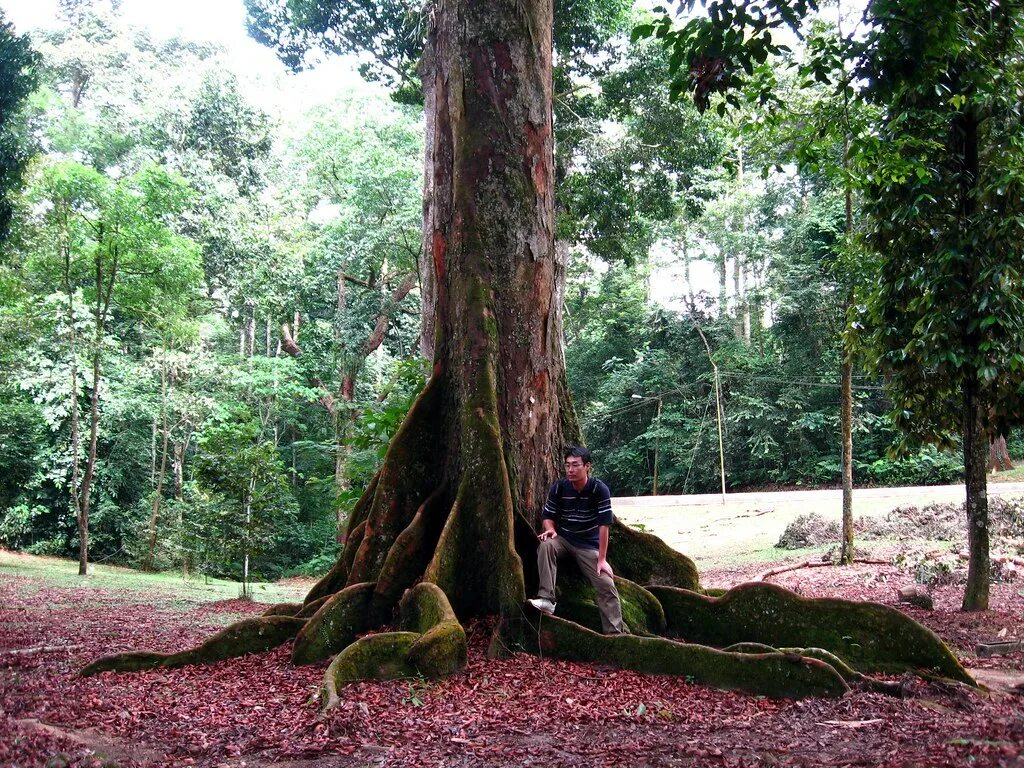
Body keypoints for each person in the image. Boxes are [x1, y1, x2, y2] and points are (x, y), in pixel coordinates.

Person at [527, 446, 625, 634]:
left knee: (606, 583)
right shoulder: (559, 487)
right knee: (546, 545)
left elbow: (604, 526)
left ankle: (615, 633)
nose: (570, 470)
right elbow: (548, 516)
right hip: (563, 538)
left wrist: (602, 559)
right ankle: (547, 599)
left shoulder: (599, 489)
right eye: (567, 465)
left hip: (588, 545)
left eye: (575, 465)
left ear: (587, 466)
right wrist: (550, 530)